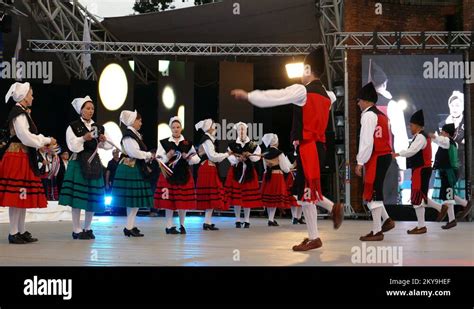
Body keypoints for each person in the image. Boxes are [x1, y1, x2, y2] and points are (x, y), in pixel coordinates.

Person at [231, 48, 344, 251]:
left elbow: (277, 96)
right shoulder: (328, 96)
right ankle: (322, 222)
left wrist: (250, 96)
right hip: (319, 148)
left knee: (304, 194)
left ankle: (319, 229)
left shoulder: (303, 91)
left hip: (308, 148)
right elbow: (329, 98)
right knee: (306, 192)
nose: (301, 73)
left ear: (309, 69)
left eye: (303, 68)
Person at [1, 82, 57, 244]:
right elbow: (25, 136)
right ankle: (13, 232)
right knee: (18, 194)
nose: (33, 96)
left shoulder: (22, 112)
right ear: (25, 96)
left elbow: (28, 138)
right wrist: (45, 140)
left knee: (22, 194)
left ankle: (20, 230)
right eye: (31, 94)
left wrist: (42, 145)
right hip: (17, 157)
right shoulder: (19, 114)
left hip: (23, 156)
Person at [58, 96, 111, 240]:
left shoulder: (99, 127)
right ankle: (76, 229)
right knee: (78, 198)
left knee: (92, 197)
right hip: (79, 162)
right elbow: (72, 146)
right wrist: (83, 138)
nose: (90, 111)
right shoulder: (73, 126)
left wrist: (104, 140)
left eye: (92, 108)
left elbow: (109, 146)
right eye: (87, 108)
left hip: (93, 163)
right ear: (80, 110)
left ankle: (87, 228)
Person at [355, 82, 393, 241]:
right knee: (374, 190)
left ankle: (377, 231)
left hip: (376, 156)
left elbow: (366, 141)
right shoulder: (381, 115)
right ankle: (387, 221)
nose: (357, 103)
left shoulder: (368, 115)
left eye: (359, 100)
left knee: (374, 192)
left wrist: (360, 161)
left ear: (365, 100)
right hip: (382, 155)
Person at [394, 110, 442, 234]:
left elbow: (412, 151)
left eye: (411, 125)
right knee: (421, 197)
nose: (410, 127)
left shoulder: (420, 137)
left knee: (417, 197)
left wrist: (398, 154)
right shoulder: (421, 136)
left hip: (421, 170)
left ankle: (421, 226)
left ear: (417, 125)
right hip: (421, 170)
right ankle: (440, 209)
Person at [112, 110, 155, 237]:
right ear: (133, 121)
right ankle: (129, 227)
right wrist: (148, 155)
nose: (141, 123)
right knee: (132, 199)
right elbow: (133, 152)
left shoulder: (134, 134)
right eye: (139, 120)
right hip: (130, 167)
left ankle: (129, 226)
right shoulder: (129, 136)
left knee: (134, 200)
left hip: (135, 167)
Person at [154, 116, 200, 234]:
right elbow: (159, 159)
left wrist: (188, 157)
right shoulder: (164, 142)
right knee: (168, 202)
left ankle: (182, 225)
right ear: (170, 128)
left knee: (182, 202)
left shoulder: (187, 143)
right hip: (168, 176)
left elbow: (196, 159)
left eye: (178, 127)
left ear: (181, 128)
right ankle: (169, 226)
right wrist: (167, 156)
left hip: (183, 175)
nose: (176, 129)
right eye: (173, 127)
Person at [195, 118, 231, 230]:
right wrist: (226, 154)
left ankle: (207, 222)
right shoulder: (207, 140)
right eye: (214, 126)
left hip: (209, 168)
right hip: (207, 168)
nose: (215, 128)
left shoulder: (208, 139)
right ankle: (207, 222)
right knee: (211, 194)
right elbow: (213, 156)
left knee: (211, 195)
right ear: (209, 128)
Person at [225, 122, 262, 229]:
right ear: (237, 131)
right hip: (236, 170)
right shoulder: (232, 144)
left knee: (247, 196)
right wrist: (237, 159)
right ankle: (237, 219)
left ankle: (246, 220)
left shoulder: (253, 144)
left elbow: (257, 157)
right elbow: (229, 157)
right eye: (239, 130)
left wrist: (250, 156)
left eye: (243, 130)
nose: (241, 132)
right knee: (237, 197)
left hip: (248, 171)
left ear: (246, 131)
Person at [260, 133, 296, 226]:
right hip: (277, 176)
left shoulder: (265, 153)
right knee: (275, 198)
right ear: (276, 142)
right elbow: (285, 168)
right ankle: (271, 219)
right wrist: (290, 168)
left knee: (269, 198)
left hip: (267, 176)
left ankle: (270, 218)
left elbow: (265, 168)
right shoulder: (279, 153)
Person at [429, 124, 460, 229]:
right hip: (448, 172)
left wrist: (433, 136)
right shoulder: (450, 143)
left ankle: (452, 218)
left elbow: (441, 140)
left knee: (448, 195)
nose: (440, 133)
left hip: (449, 172)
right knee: (448, 195)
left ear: (446, 133)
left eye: (442, 131)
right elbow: (440, 141)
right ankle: (452, 219)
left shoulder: (447, 141)